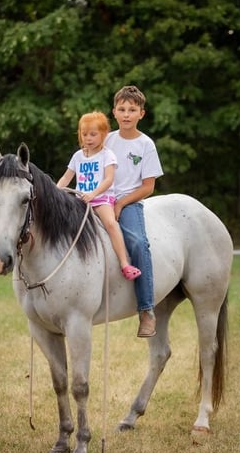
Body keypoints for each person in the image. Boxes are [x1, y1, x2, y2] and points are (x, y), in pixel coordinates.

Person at [105, 85, 164, 338]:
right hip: (100, 198)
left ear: (142, 113)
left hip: (128, 202)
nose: (126, 114)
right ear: (114, 112)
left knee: (139, 243)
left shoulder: (145, 145)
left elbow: (148, 187)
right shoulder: (107, 140)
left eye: (132, 110)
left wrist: (120, 204)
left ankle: (146, 310)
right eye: (122, 109)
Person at [57, 111, 142, 282]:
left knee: (111, 224)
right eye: (84, 134)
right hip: (80, 201)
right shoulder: (78, 156)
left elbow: (109, 179)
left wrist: (93, 194)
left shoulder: (107, 155)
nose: (88, 138)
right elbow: (67, 177)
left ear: (103, 134)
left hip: (101, 199)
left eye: (93, 134)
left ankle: (125, 263)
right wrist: (56, 190)